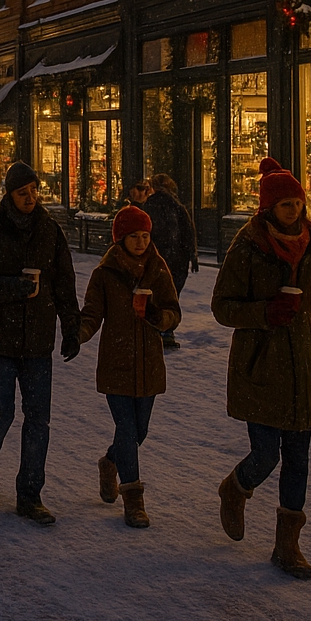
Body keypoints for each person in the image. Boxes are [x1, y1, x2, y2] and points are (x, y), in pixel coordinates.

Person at [212, 158, 311, 580]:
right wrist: (264, 312)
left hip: (302, 369)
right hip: (260, 368)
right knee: (265, 455)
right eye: (285, 204)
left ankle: (287, 545)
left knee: (299, 459)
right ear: (268, 208)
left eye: (298, 202)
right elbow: (222, 307)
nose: (293, 210)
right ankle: (236, 486)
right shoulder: (248, 245)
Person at [0, 162, 81, 526]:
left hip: (38, 339)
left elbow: (63, 283)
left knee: (39, 419)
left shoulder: (49, 231)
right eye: (22, 192)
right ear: (8, 195)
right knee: (2, 411)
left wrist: (70, 327)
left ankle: (30, 494)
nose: (30, 198)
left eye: (33, 191)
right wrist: (10, 288)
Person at [78, 204, 181, 529]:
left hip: (149, 363)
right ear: (120, 239)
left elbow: (173, 311)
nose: (140, 242)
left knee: (139, 431)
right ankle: (133, 500)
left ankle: (111, 462)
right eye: (134, 236)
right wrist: (78, 335)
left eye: (145, 235)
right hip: (117, 362)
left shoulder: (158, 268)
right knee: (126, 427)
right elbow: (93, 312)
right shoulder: (105, 273)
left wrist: (158, 317)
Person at [145, 173, 198, 349]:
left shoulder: (149, 205)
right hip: (176, 259)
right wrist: (192, 255)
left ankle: (158, 328)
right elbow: (188, 231)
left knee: (156, 294)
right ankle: (166, 329)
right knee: (171, 295)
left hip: (158, 258)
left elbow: (146, 232)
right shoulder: (177, 206)